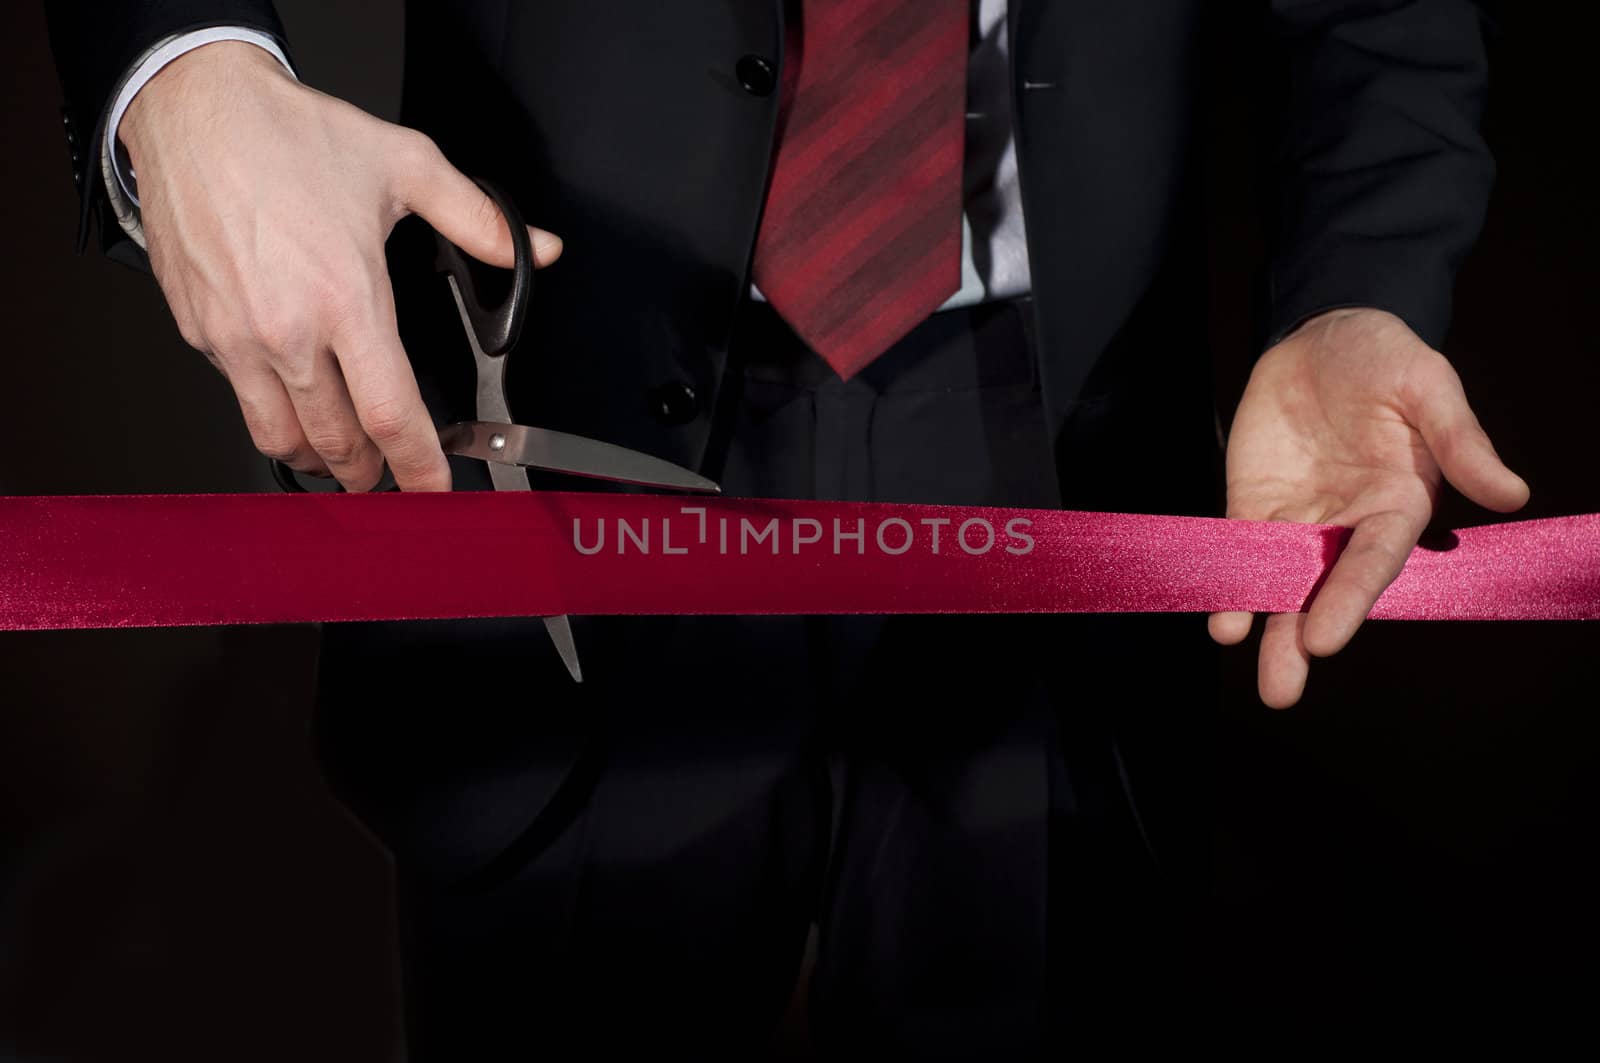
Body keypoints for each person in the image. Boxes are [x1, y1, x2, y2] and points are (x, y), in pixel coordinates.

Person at [44, 0, 1527, 1056]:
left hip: (1068, 476)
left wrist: (1363, 286)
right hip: (562, 453)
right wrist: (181, 66)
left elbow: (1385, 21)